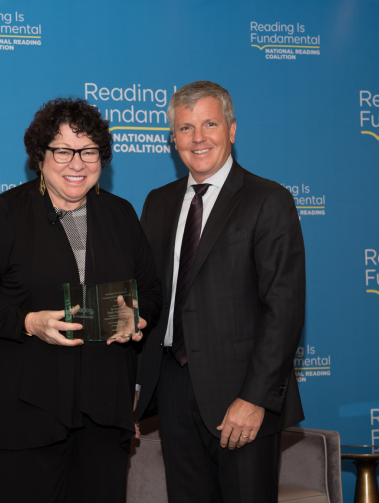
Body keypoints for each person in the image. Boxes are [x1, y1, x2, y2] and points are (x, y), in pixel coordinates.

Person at [0, 97, 162, 503]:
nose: (76, 163)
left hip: (103, 410)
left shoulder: (120, 215)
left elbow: (150, 291)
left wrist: (137, 317)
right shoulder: (5, 214)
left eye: (88, 151)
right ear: (40, 156)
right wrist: (28, 322)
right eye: (63, 150)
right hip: (26, 410)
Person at [135, 81, 305, 502]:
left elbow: (283, 308)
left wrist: (255, 397)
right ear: (172, 139)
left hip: (241, 393)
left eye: (210, 124)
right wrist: (134, 386)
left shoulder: (268, 200)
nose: (198, 138)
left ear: (231, 129)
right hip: (172, 388)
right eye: (185, 128)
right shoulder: (157, 202)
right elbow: (149, 299)